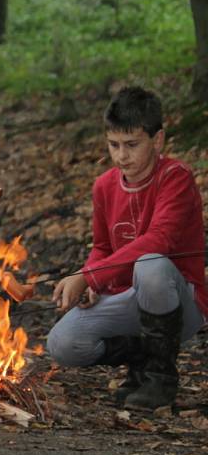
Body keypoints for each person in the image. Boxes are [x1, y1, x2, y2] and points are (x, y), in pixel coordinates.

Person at [47, 86, 207, 410]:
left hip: (181, 302)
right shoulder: (104, 186)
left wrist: (90, 276)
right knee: (62, 343)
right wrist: (95, 283)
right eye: (114, 145)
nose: (122, 156)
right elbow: (102, 248)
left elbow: (158, 240)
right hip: (128, 296)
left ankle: (159, 380)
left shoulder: (176, 177)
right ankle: (143, 360)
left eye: (132, 145)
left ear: (157, 140)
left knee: (151, 264)